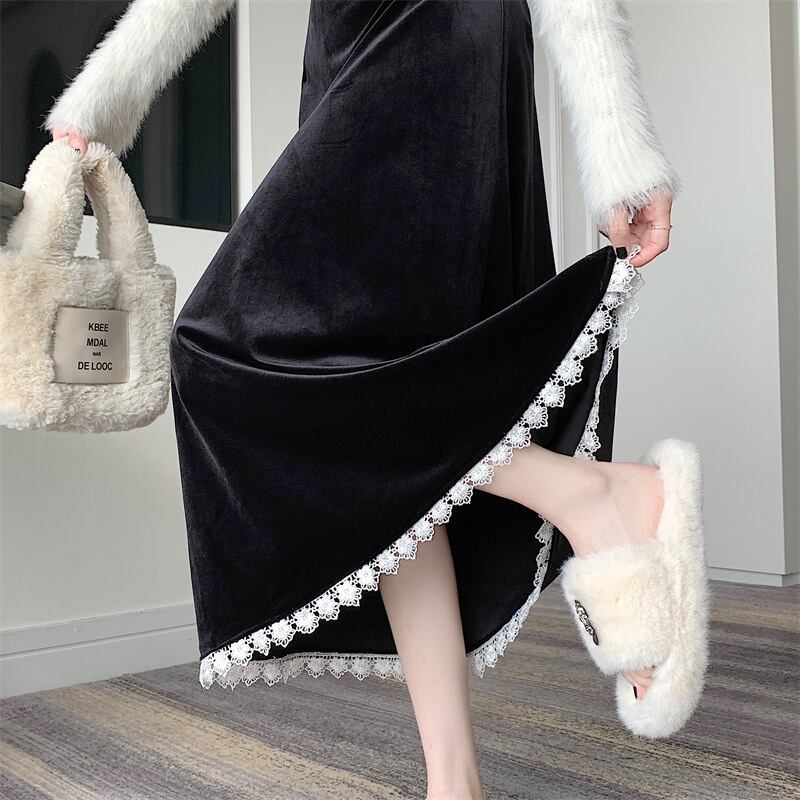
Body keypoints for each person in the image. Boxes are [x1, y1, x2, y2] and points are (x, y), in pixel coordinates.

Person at [45, 2, 709, 798]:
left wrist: (621, 148)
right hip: (348, 46)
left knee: (221, 348)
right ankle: (454, 781)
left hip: (431, 29)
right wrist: (104, 98)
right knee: (390, 420)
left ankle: (587, 494)